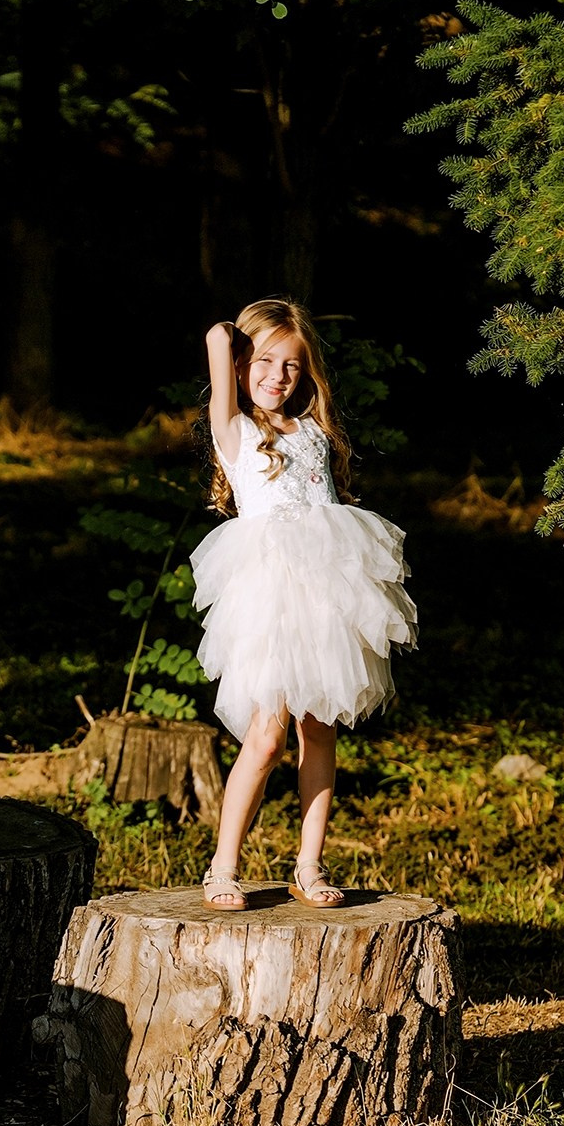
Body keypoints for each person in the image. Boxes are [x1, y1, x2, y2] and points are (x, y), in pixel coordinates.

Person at [191, 299, 417, 910]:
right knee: (266, 739)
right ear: (242, 364)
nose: (278, 377)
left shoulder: (313, 432)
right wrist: (237, 340)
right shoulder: (235, 430)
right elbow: (216, 337)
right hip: (270, 602)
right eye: (264, 362)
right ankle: (222, 867)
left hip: (324, 602)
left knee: (319, 730)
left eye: (292, 365)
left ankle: (310, 865)